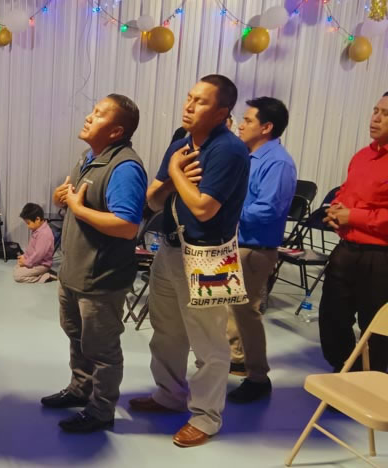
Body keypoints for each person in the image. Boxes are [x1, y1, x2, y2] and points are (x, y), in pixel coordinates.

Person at [130, 75, 250, 448]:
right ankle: (169, 394)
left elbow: (203, 208)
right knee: (166, 330)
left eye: (201, 101)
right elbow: (153, 200)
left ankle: (206, 417)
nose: (189, 105)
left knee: (209, 342)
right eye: (189, 97)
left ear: (222, 112)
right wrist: (173, 180)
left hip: (211, 254)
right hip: (169, 248)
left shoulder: (230, 150)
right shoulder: (180, 143)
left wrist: (175, 174)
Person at [42, 94, 147, 433]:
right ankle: (80, 389)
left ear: (116, 132)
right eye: (92, 111)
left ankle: (101, 411)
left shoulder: (125, 168)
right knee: (77, 337)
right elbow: (76, 201)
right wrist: (63, 199)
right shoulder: (89, 158)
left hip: (101, 278)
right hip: (74, 272)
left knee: (102, 349)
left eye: (99, 114)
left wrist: (77, 207)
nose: (89, 117)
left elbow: (126, 225)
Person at [227, 97, 296, 403]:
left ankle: (258, 377)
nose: (240, 125)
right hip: (237, 243)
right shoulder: (249, 155)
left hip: (254, 248)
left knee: (247, 313)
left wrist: (228, 210)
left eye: (248, 120)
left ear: (266, 127)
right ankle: (237, 359)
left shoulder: (277, 162)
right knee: (232, 308)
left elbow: (269, 209)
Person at [319, 92, 388, 374]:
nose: (376, 118)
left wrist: (354, 216)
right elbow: (346, 192)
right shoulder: (363, 155)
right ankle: (345, 369)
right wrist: (336, 210)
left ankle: (370, 378)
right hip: (347, 249)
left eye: (385, 114)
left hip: (380, 256)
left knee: (375, 326)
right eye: (375, 110)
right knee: (332, 316)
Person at [13, 203, 55, 283]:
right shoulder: (37, 230)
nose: (27, 226)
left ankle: (46, 276)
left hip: (41, 265)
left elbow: (38, 254)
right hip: (35, 262)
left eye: (28, 223)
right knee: (16, 268)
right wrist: (24, 256)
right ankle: (40, 273)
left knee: (17, 276)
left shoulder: (44, 234)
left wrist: (26, 262)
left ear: (37, 219)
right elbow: (31, 248)